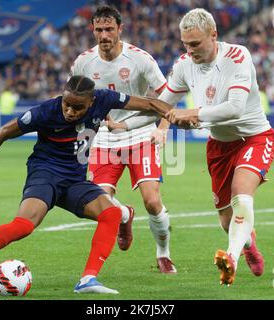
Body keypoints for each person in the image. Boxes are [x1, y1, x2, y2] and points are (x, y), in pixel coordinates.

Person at [0, 75, 174, 295]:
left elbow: (150, 103)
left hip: (74, 179)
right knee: (24, 225)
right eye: (66, 104)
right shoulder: (46, 112)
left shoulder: (105, 99)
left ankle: (88, 280)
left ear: (91, 102)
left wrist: (175, 115)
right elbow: (3, 131)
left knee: (110, 212)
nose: (69, 110)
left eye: (77, 107)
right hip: (45, 173)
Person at [137, 8, 274, 286]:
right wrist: (157, 126)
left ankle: (232, 258)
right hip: (219, 148)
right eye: (185, 44)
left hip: (254, 137)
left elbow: (235, 108)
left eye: (196, 44)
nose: (190, 50)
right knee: (228, 222)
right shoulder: (184, 64)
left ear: (214, 35)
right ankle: (248, 244)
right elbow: (164, 105)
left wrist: (196, 115)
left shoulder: (238, 56)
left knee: (241, 195)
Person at [71, 5, 176, 274]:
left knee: (152, 201)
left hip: (139, 133)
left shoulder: (140, 60)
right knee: (101, 206)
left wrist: (162, 128)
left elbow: (167, 99)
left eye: (109, 29)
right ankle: (125, 215)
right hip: (104, 138)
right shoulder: (83, 62)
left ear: (120, 29)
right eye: (98, 30)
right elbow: (74, 100)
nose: (104, 35)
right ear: (92, 30)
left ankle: (163, 254)